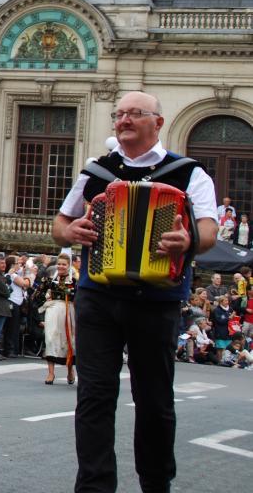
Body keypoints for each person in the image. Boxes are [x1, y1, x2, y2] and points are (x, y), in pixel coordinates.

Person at [53, 91, 218, 492]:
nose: (124, 120)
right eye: (119, 114)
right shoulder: (97, 172)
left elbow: (210, 231)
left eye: (134, 114)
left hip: (156, 299)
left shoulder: (189, 173)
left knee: (155, 400)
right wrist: (70, 232)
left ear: (157, 123)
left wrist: (187, 239)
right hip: (99, 297)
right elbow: (60, 224)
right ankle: (94, 486)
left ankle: (156, 483)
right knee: (94, 396)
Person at [34, 252, 77, 385]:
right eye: (59, 264)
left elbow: (79, 297)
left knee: (68, 340)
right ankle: (51, 373)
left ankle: (70, 370)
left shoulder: (74, 281)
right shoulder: (49, 279)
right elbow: (36, 295)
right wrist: (46, 303)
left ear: (69, 265)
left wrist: (72, 296)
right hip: (53, 311)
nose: (61, 266)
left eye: (64, 264)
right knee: (51, 339)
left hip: (68, 311)